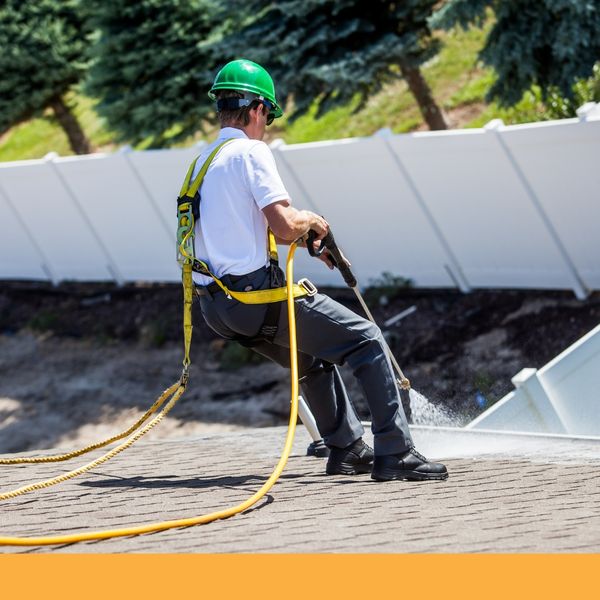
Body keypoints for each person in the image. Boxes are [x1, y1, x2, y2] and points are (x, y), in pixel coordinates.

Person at [185, 58, 448, 482]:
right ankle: (395, 453)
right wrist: (312, 222)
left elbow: (233, 231)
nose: (266, 124)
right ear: (256, 110)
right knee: (365, 340)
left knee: (310, 358)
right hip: (255, 300)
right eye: (267, 115)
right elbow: (286, 225)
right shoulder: (251, 152)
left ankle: (346, 448)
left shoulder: (202, 162)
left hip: (217, 309)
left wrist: (301, 237)